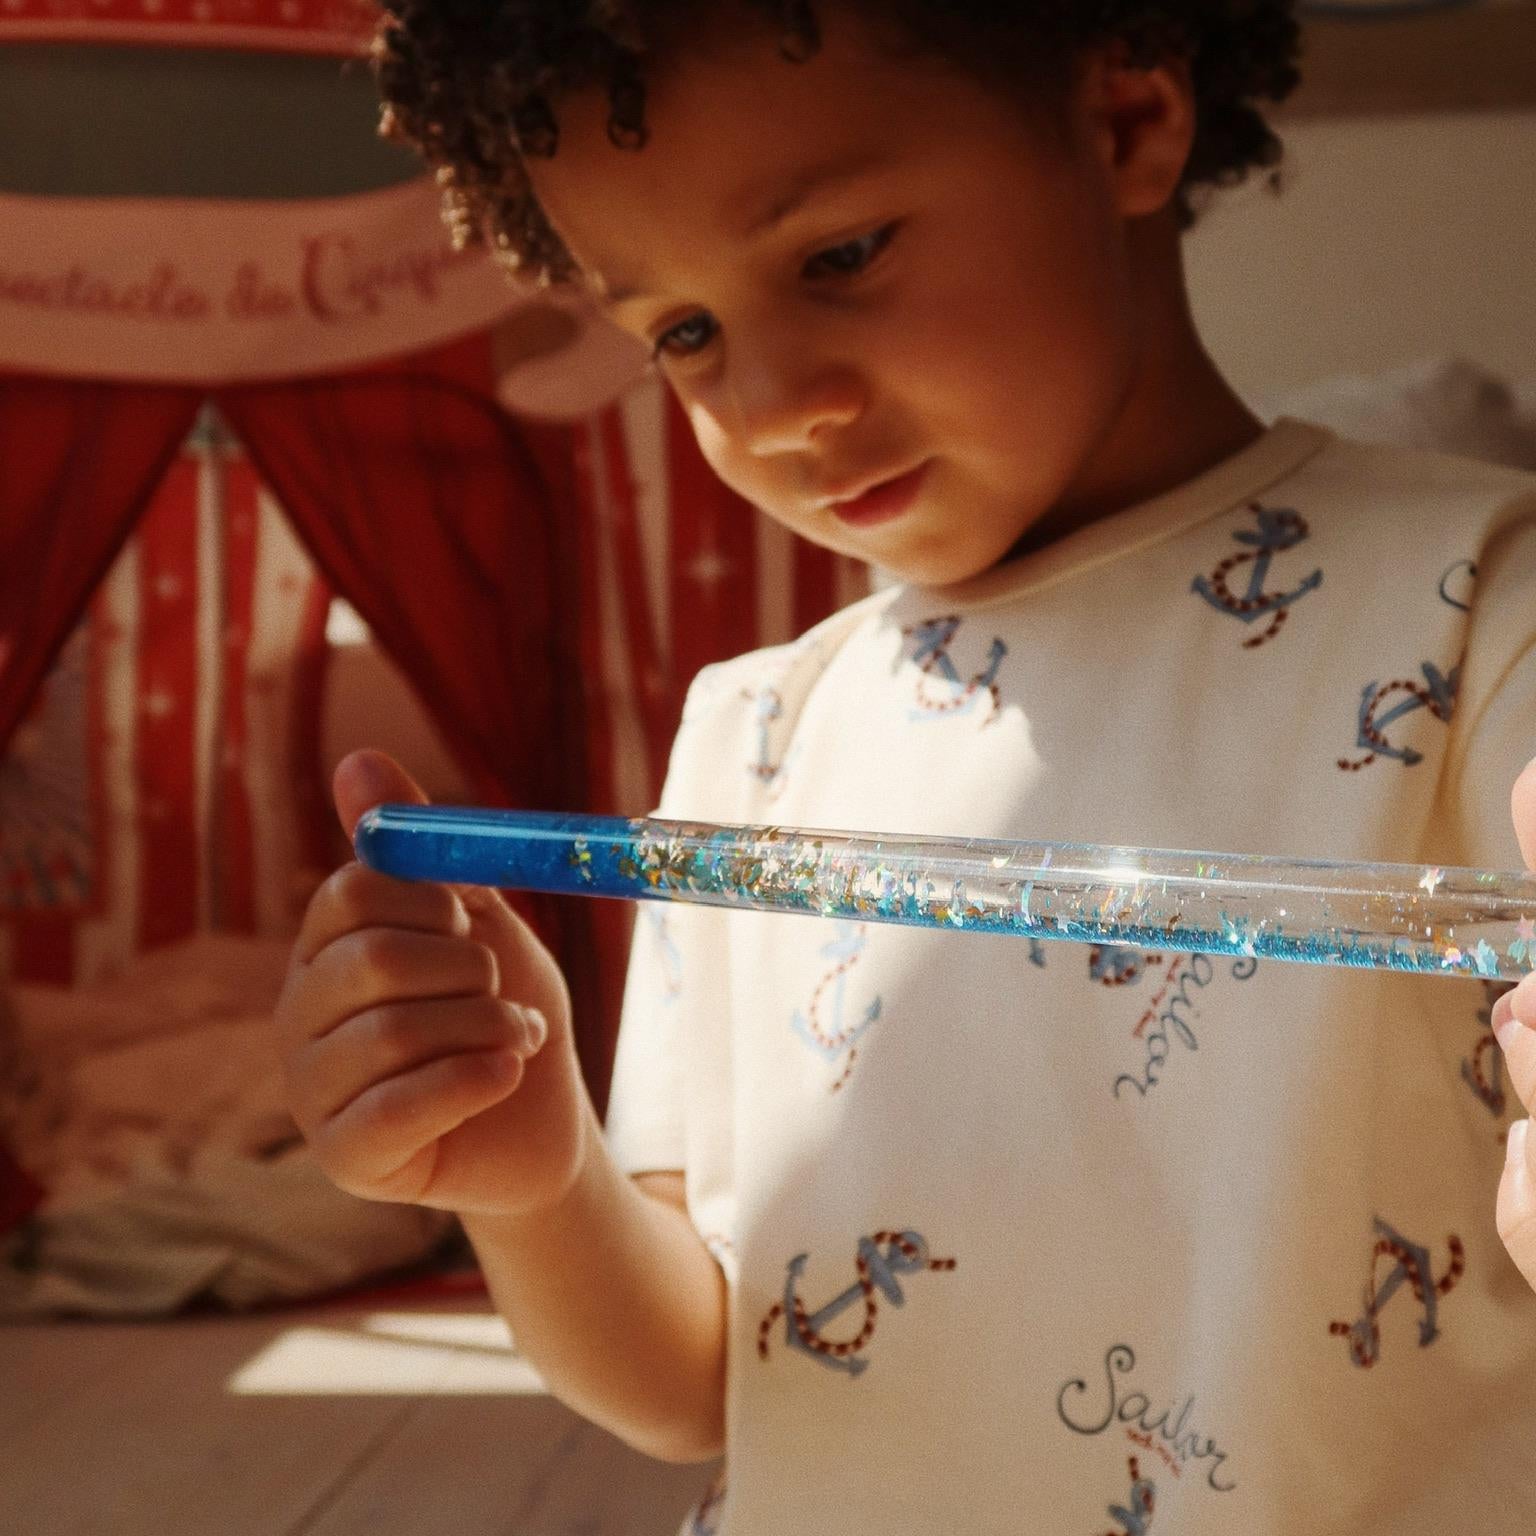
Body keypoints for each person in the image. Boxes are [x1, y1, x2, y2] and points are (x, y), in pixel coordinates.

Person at [274, 3, 1536, 1530]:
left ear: (1128, 121)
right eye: (683, 333)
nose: (770, 407)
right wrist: (531, 1182)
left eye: (840, 255)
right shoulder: (752, 740)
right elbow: (696, 1382)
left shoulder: (1487, 608)